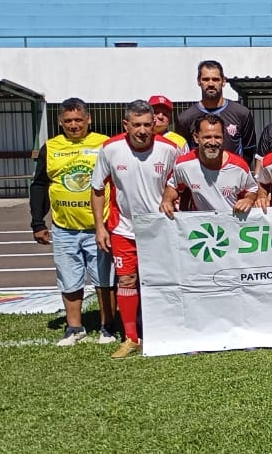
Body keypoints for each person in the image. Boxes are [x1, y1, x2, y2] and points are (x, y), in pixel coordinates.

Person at [91, 100, 181, 359]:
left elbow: (179, 183)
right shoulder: (110, 149)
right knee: (127, 280)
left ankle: (167, 331)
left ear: (154, 124)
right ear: (126, 125)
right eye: (137, 125)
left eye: (147, 125)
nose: (142, 130)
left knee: (164, 280)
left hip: (160, 228)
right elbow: (97, 189)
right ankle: (131, 338)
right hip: (124, 229)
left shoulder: (169, 149)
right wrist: (100, 227)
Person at [28, 97, 117, 347]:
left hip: (99, 228)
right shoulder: (51, 147)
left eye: (79, 120)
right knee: (69, 280)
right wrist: (38, 222)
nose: (74, 125)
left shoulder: (104, 144)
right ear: (60, 122)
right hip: (64, 228)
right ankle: (74, 328)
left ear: (89, 119)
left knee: (105, 280)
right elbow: (40, 185)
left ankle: (107, 327)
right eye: (68, 121)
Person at [160, 115, 259, 215]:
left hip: (232, 222)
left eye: (217, 137)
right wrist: (167, 200)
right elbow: (173, 186)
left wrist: (249, 199)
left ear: (223, 138)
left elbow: (252, 189)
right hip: (201, 223)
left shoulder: (239, 167)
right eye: (207, 137)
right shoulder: (184, 165)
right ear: (196, 138)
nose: (213, 142)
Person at [175, 60, 257, 166]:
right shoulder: (186, 118)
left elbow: (249, 150)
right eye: (206, 79)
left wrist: (236, 171)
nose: (210, 84)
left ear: (223, 81)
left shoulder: (242, 113)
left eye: (215, 79)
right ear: (199, 81)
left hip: (232, 174)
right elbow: (182, 153)